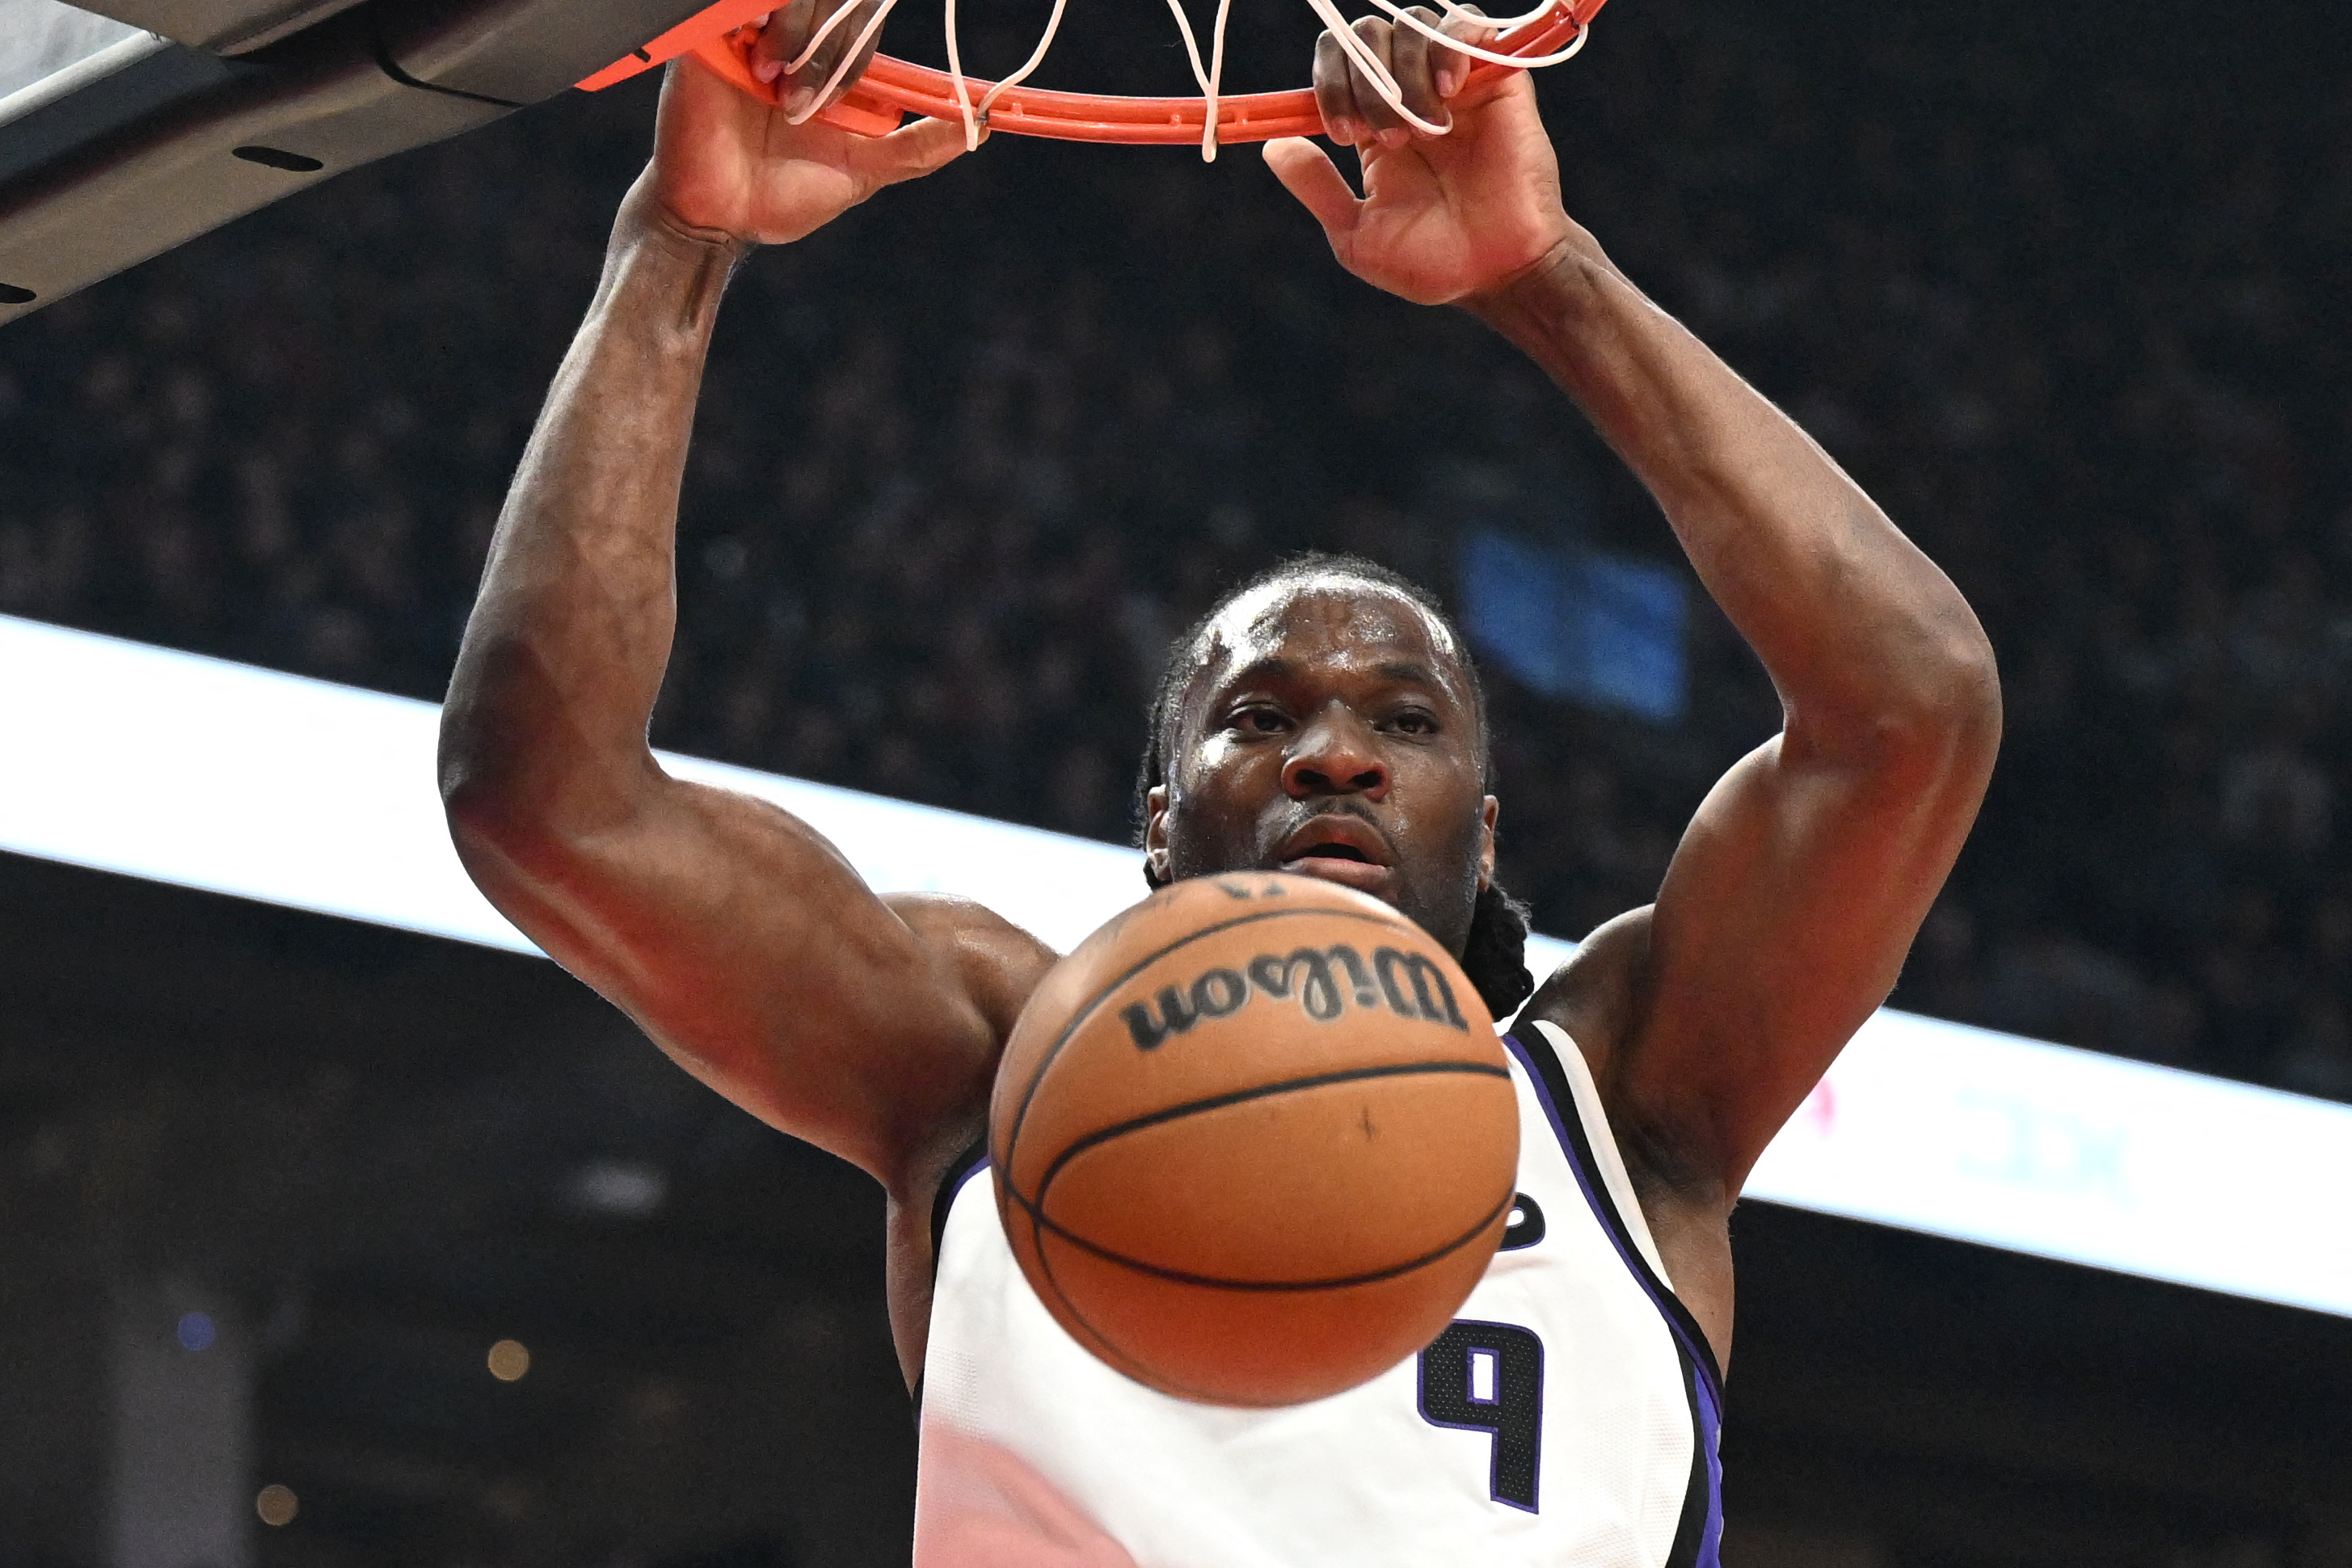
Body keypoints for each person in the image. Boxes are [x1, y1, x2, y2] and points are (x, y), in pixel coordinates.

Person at [438, 3, 2000, 1562]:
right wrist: (678, 244)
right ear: (1159, 826)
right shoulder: (992, 1065)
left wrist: (1547, 280)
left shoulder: (1629, 1095)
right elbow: (548, 801)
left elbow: (1907, 706)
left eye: (1406, 723)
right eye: (1258, 718)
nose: (1334, 753)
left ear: (1489, 825)